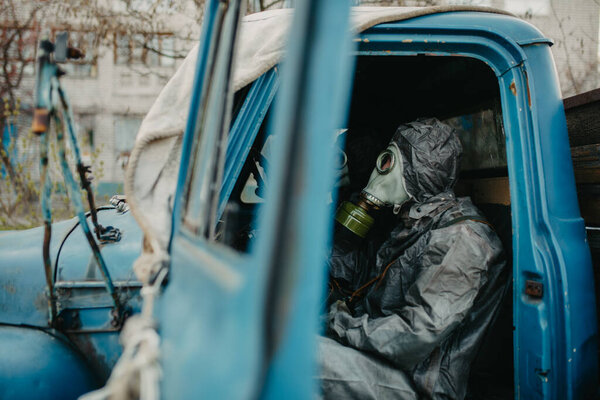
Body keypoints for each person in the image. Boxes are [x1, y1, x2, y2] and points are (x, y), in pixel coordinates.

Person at [319, 118, 507, 399]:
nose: (377, 170)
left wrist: (340, 325)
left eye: (387, 162)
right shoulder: (413, 222)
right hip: (383, 360)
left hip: (419, 383)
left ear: (417, 170)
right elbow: (364, 279)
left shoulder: (461, 238)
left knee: (301, 355)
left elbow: (417, 332)